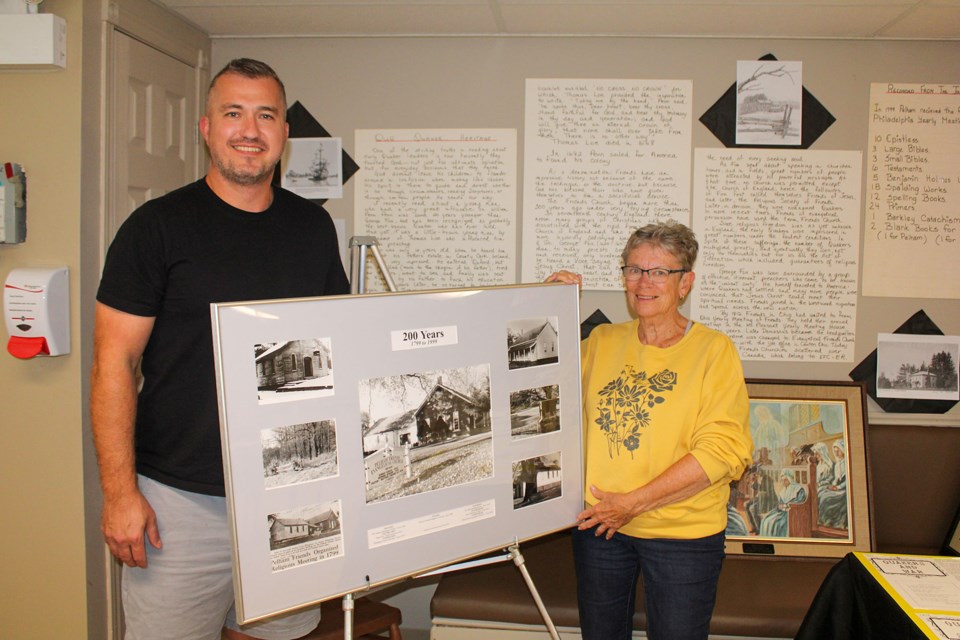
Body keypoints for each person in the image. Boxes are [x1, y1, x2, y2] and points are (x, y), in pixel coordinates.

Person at [91, 58, 350, 640]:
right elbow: (113, 364)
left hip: (291, 490)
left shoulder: (313, 229)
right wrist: (119, 494)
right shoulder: (155, 227)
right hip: (180, 503)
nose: (250, 130)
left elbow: (339, 346)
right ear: (206, 127)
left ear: (284, 133)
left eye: (266, 115)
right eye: (233, 113)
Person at [546, 220, 753, 640]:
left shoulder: (714, 350)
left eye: (660, 272)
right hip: (601, 528)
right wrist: (545, 304)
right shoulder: (601, 341)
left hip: (683, 535)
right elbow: (538, 386)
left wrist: (633, 503)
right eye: (634, 269)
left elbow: (723, 452)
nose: (643, 282)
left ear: (685, 283)